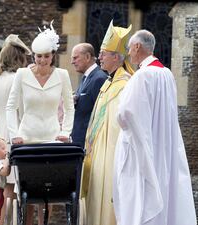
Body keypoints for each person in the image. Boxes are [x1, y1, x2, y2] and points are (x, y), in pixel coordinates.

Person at [113, 29, 197, 225]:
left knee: (142, 195)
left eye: (129, 48)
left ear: (137, 46)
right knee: (165, 187)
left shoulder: (142, 76)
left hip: (144, 147)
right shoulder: (167, 74)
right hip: (164, 144)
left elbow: (126, 113)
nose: (128, 53)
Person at [6, 20, 74, 225]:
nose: (43, 60)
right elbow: (11, 107)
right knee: (27, 193)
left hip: (53, 136)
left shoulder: (62, 75)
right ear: (33, 56)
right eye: (38, 56)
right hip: (27, 136)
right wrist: (14, 134)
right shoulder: (22, 74)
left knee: (51, 189)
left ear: (52, 55)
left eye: (46, 56)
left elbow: (70, 108)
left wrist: (66, 132)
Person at [79, 20, 134, 225]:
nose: (99, 57)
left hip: (111, 156)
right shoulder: (108, 83)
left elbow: (118, 127)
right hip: (97, 154)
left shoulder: (125, 85)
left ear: (116, 57)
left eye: (103, 53)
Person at [0, 34, 31, 225]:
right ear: (18, 57)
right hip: (14, 132)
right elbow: (23, 111)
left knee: (1, 188)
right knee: (11, 188)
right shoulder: (18, 79)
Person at [70, 43, 107, 147]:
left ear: (87, 57)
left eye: (75, 58)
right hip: (79, 141)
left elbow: (101, 115)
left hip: (89, 143)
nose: (72, 62)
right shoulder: (86, 77)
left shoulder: (99, 78)